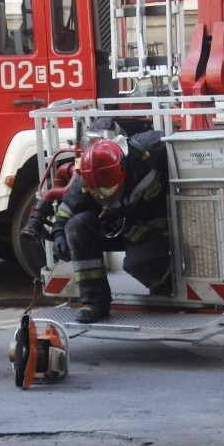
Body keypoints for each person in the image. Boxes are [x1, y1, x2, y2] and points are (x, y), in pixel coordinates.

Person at [50, 129, 172, 323]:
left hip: (151, 226)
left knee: (139, 264)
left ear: (122, 168)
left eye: (108, 189)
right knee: (76, 226)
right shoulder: (89, 174)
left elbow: (183, 147)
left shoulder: (149, 150)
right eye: (95, 191)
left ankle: (165, 285)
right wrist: (58, 234)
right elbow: (68, 207)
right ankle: (94, 302)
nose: (103, 196)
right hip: (116, 227)